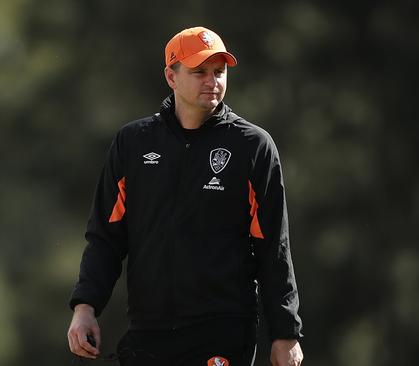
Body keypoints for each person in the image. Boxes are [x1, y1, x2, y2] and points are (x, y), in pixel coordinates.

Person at [66, 26, 304, 366]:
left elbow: (274, 247)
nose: (213, 81)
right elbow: (105, 237)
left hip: (222, 330)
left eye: (219, 72)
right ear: (171, 76)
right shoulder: (133, 143)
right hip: (149, 331)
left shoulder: (253, 146)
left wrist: (285, 334)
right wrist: (85, 307)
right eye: (199, 72)